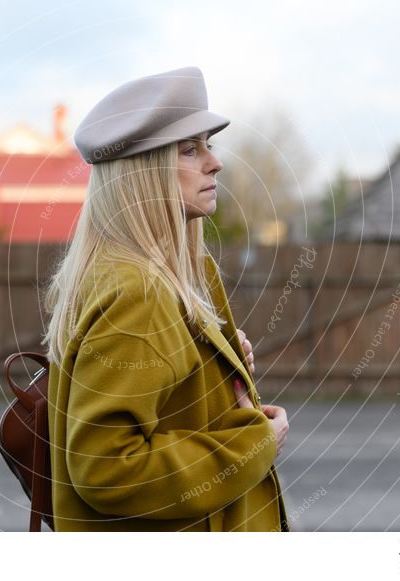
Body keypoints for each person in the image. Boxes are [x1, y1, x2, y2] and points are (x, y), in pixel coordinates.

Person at [42, 66, 289, 532]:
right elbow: (107, 470)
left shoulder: (170, 273)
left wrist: (213, 366)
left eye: (208, 146)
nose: (214, 162)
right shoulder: (141, 291)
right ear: (144, 171)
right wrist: (254, 444)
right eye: (189, 149)